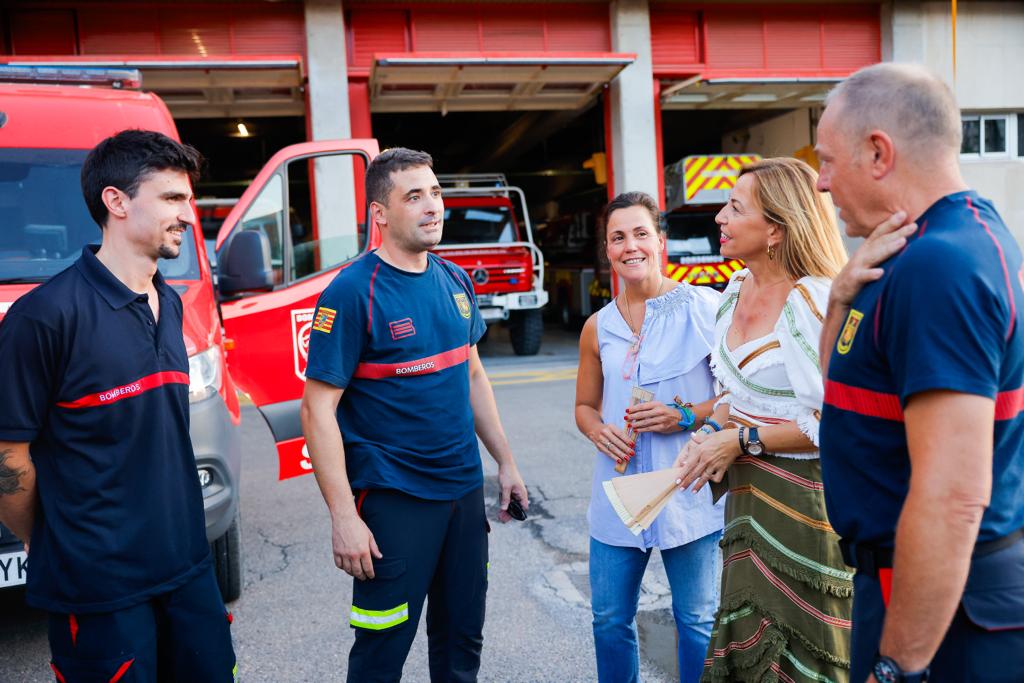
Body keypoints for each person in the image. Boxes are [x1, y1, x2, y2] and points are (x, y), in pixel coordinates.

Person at [0, 130, 237, 681]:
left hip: (188, 571)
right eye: (173, 199)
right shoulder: (44, 317)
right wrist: (48, 540)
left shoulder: (173, 305)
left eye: (188, 198)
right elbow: (8, 459)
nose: (188, 213)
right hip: (100, 590)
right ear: (117, 201)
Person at [816, 62, 1024, 683]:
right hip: (916, 591)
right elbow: (846, 394)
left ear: (878, 152)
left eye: (827, 160)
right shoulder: (916, 250)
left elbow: (954, 496)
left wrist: (897, 667)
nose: (821, 183)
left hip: (943, 614)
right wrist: (838, 300)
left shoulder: (939, 266)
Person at [300, 147, 529, 683]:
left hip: (462, 496)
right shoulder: (352, 293)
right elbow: (317, 411)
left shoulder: (454, 281)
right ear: (380, 213)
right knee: (381, 655)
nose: (433, 207)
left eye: (436, 193)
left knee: (460, 645)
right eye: (414, 197)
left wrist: (506, 463)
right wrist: (342, 516)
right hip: (394, 502)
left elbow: (472, 377)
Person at [674, 158, 852, 681]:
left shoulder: (812, 300)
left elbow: (831, 422)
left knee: (803, 644)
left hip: (803, 499)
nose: (719, 219)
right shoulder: (732, 292)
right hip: (746, 498)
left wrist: (743, 442)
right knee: (749, 631)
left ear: (774, 228)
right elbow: (733, 392)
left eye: (734, 207)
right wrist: (709, 433)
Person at [574, 191, 725, 683]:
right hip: (616, 497)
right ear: (607, 249)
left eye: (641, 233)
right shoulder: (597, 327)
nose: (630, 245)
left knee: (697, 621)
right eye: (618, 237)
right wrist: (599, 431)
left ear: (660, 241)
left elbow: (734, 401)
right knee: (609, 620)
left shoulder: (705, 308)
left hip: (687, 490)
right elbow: (583, 408)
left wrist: (684, 416)